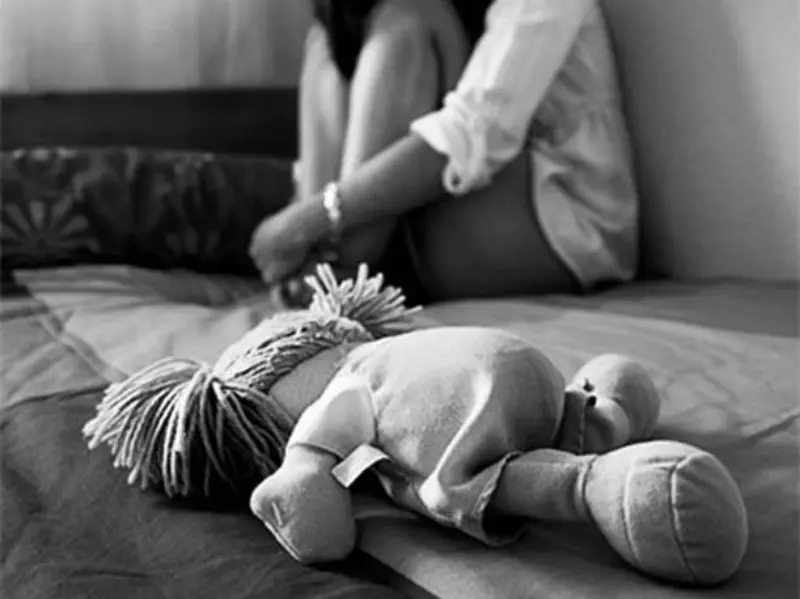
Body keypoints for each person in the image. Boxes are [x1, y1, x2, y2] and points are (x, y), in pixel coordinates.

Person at [249, 0, 639, 303]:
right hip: (452, 209)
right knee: (331, 38)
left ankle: (337, 266)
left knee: (405, 19)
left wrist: (309, 218)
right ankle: (314, 263)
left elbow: (475, 133)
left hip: (565, 226)